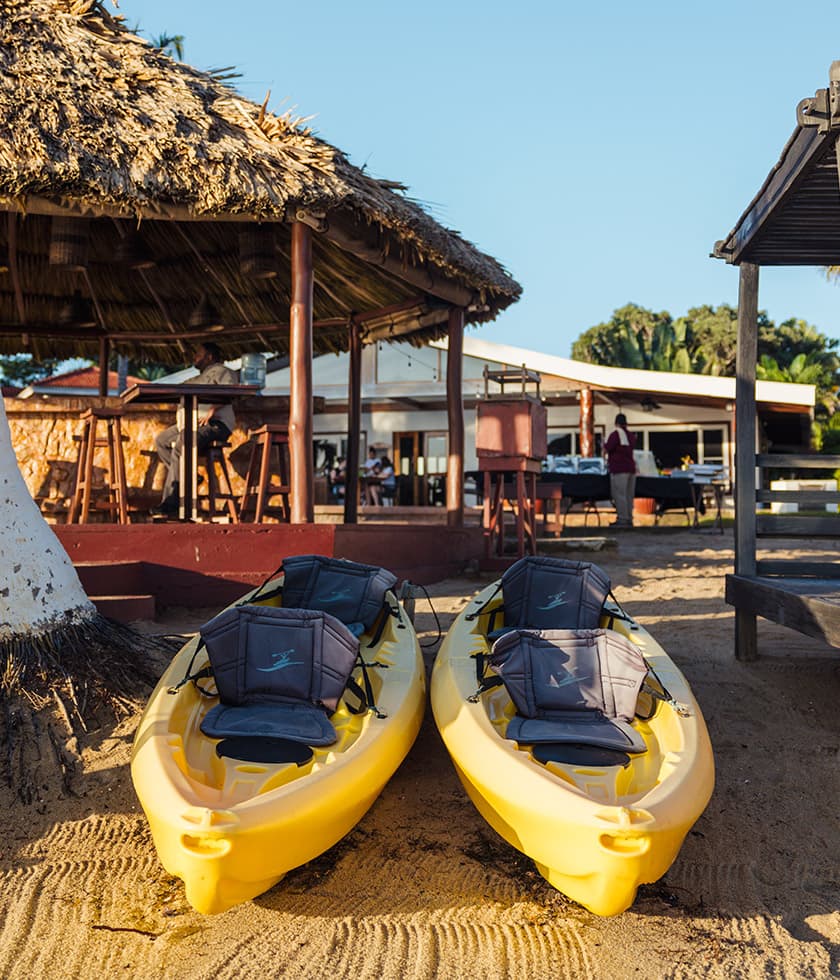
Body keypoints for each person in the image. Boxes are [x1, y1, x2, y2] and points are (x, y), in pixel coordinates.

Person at [154, 342, 239, 515]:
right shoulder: (195, 379)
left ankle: (170, 504)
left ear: (209, 357)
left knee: (183, 441)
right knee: (162, 441)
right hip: (189, 424)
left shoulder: (223, 371)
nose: (195, 357)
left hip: (216, 424)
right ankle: (190, 478)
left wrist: (212, 410)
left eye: (198, 354)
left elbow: (230, 392)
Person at [604, 412, 637, 528]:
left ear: (616, 423)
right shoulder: (631, 435)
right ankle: (629, 518)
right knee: (629, 495)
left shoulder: (615, 434)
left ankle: (622, 519)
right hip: (631, 469)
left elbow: (608, 448)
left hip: (619, 469)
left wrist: (603, 444)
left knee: (620, 494)